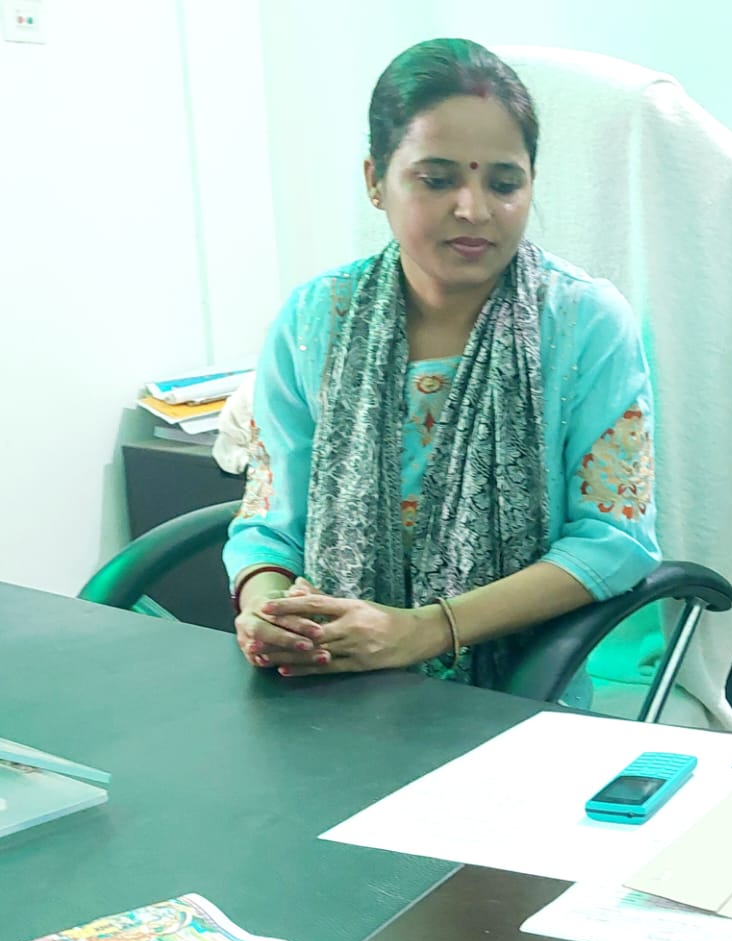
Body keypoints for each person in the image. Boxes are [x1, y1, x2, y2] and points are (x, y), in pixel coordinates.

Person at [223, 38, 659, 694]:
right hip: (328, 678)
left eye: (504, 183)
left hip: (516, 696)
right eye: (437, 179)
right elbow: (269, 523)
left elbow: (614, 541)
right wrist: (267, 608)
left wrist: (426, 630)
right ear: (375, 181)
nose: (474, 209)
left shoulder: (583, 324)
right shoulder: (315, 321)